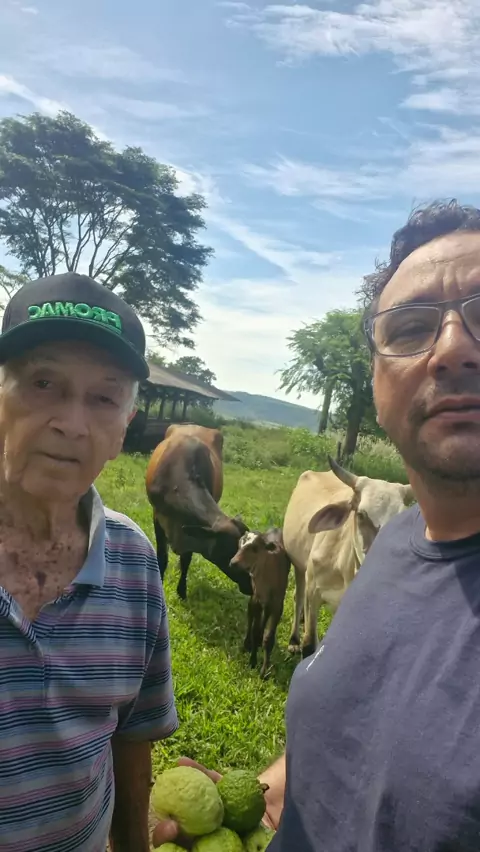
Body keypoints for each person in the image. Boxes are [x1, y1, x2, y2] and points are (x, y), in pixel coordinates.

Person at [153, 199, 480, 851]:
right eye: (411, 328)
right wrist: (263, 800)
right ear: (377, 384)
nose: (451, 349)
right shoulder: (389, 544)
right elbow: (347, 738)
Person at [0, 272, 178, 852]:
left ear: (125, 425)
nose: (72, 425)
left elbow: (133, 736)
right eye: (43, 383)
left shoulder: (133, 561)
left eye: (103, 398)